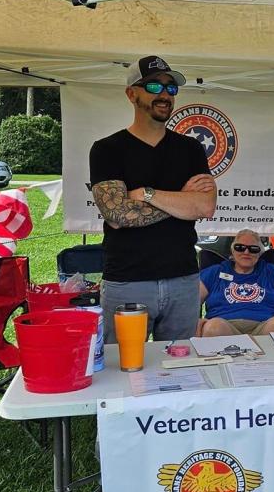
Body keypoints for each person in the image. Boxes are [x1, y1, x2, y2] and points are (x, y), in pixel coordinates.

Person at [89, 54, 216, 342]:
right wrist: (183, 202)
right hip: (127, 281)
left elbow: (205, 205)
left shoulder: (190, 148)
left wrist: (147, 194)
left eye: (171, 88)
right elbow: (118, 215)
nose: (165, 95)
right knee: (121, 368)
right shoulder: (107, 149)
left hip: (183, 279)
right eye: (154, 86)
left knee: (178, 372)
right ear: (131, 94)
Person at [198, 231, 274, 336]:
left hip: (264, 326)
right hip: (225, 325)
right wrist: (197, 321)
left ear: (259, 253)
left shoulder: (271, 271)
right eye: (240, 248)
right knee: (213, 327)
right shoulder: (215, 272)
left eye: (253, 249)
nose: (246, 252)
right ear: (232, 251)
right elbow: (192, 302)